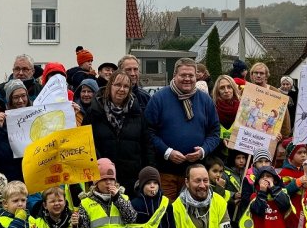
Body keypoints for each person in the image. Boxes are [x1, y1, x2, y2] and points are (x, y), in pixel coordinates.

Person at [146, 58, 222, 198]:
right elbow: (148, 132)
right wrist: (167, 152)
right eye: (183, 75)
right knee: (168, 210)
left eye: (191, 75)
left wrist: (203, 150)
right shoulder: (159, 99)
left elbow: (215, 132)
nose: (187, 79)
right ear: (174, 75)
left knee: (193, 210)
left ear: (196, 77)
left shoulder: (205, 100)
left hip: (196, 174)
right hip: (166, 172)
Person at [83, 72, 152, 199]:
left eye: (126, 86)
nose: (122, 89)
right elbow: (85, 145)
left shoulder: (137, 113)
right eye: (118, 85)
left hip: (131, 178)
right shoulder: (93, 112)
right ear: (110, 86)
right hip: (102, 178)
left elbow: (147, 145)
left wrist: (146, 175)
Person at [211, 75, 241, 144]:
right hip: (218, 148)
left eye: (229, 87)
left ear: (233, 88)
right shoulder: (212, 109)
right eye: (222, 88)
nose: (226, 91)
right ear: (217, 91)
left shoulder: (242, 107)